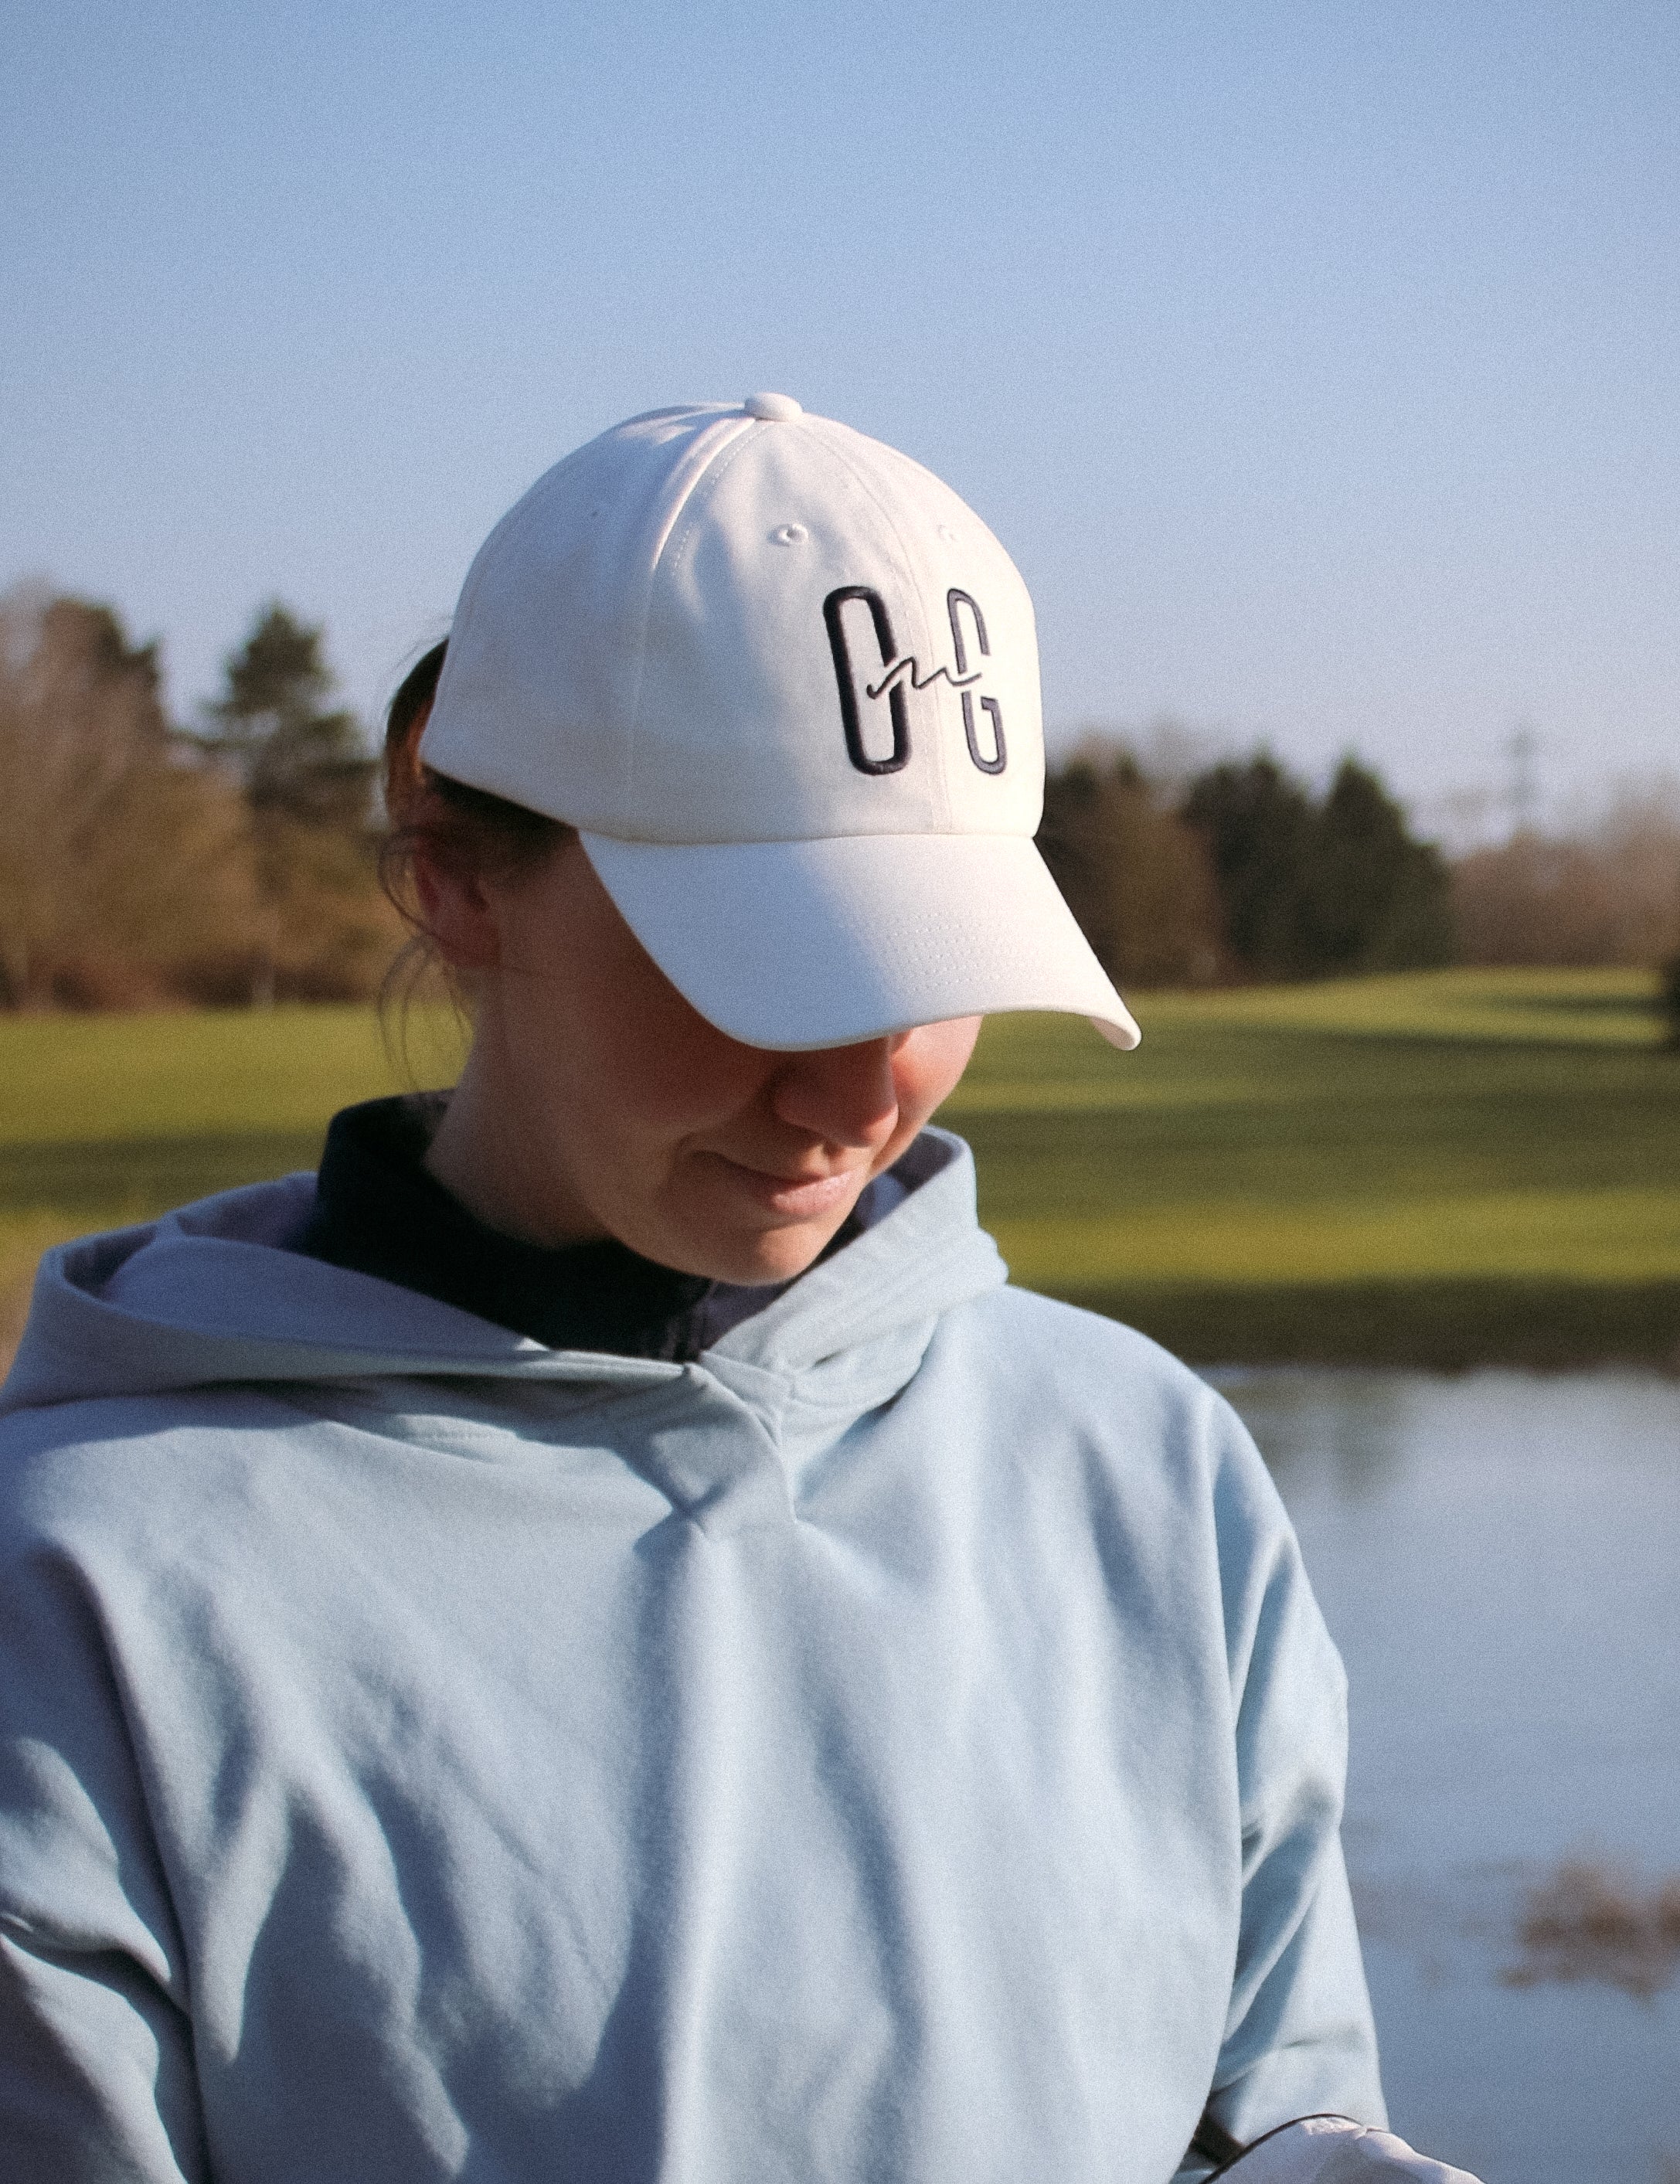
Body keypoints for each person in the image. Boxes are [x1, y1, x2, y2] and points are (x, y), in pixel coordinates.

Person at [0, 396, 1478, 2183]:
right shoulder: (89, 1588)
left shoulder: (1149, 1471)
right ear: (459, 875)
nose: (862, 1096)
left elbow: (1277, 2118)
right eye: (765, 971)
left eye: (938, 969)